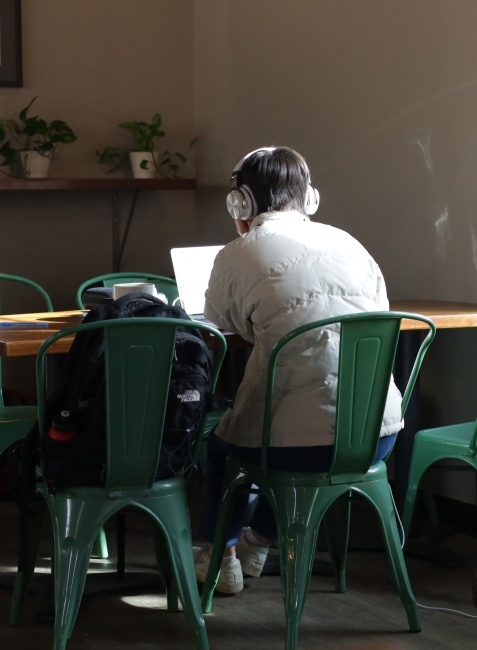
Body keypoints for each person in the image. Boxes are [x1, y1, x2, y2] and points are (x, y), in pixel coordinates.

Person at [193, 146, 402, 594]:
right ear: (310, 199)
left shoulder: (237, 252)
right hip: (376, 439)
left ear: (240, 203)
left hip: (295, 448)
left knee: (226, 447)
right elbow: (378, 317)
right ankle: (260, 543)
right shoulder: (351, 243)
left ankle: (222, 556)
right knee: (287, 428)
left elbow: (221, 324)